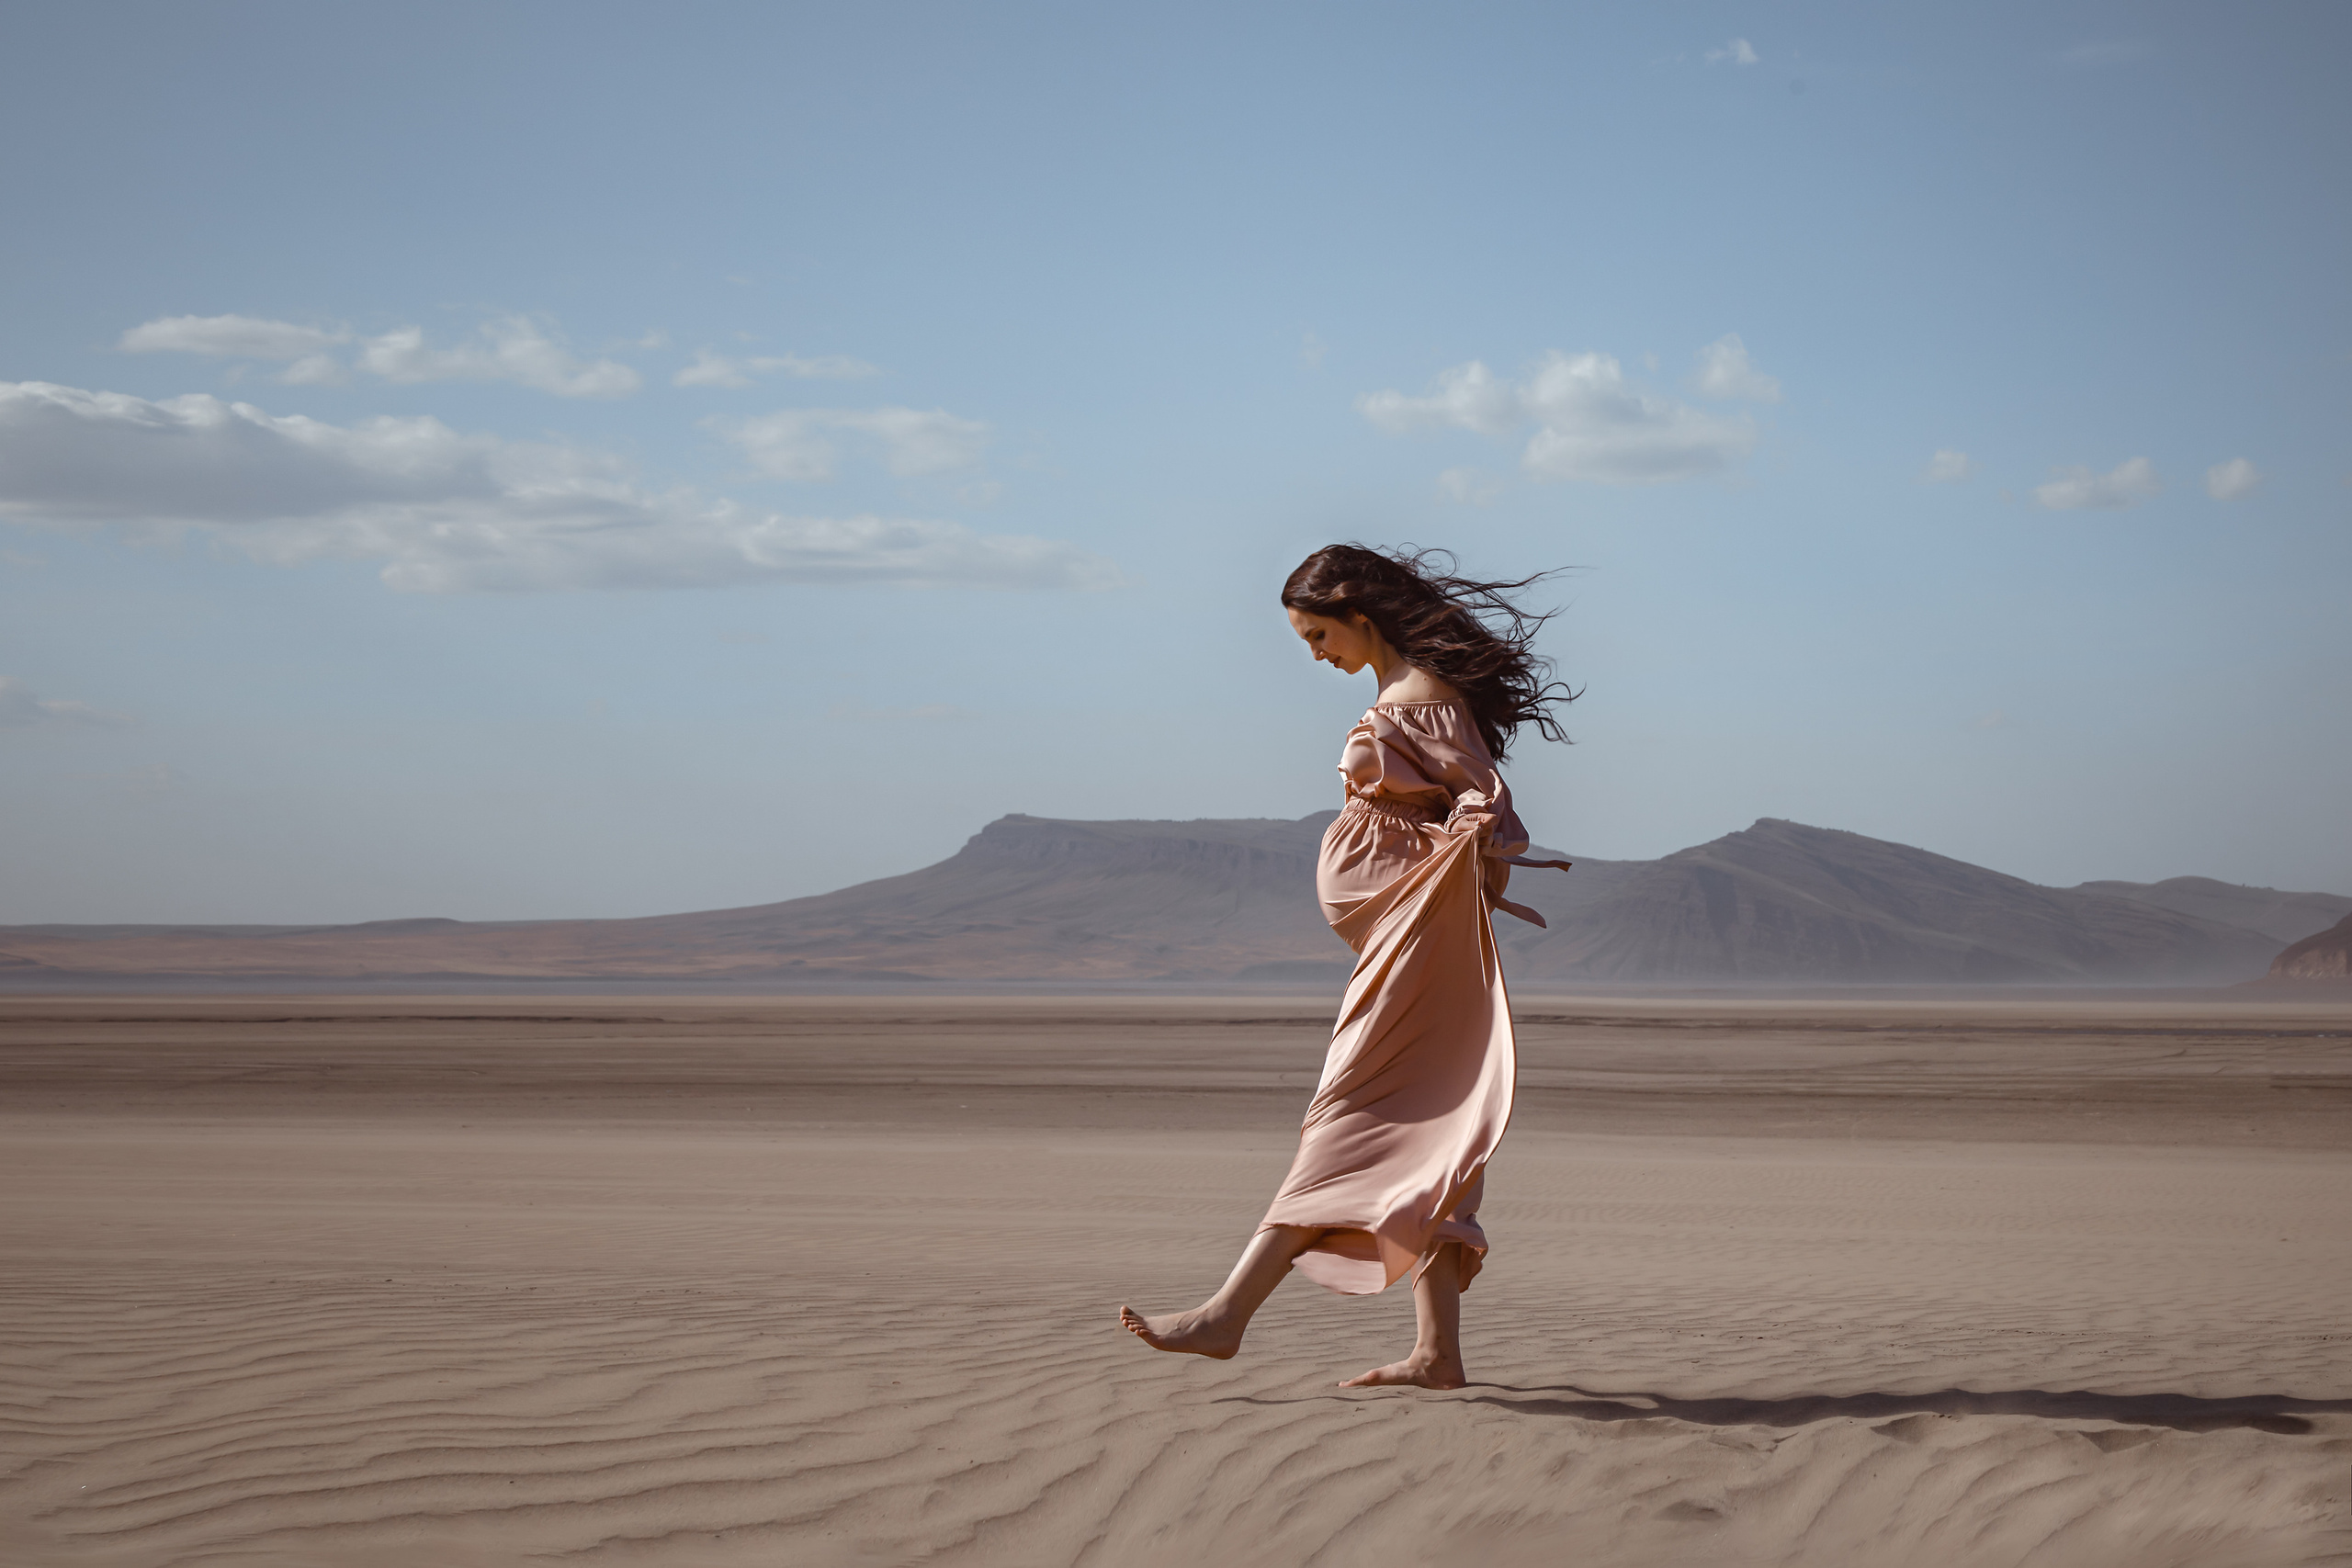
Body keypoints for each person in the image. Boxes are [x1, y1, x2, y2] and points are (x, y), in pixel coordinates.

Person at [1120, 543, 1574, 1389]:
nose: (1316, 654)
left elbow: (1487, 800)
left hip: (1421, 941)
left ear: (1360, 616)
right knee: (1430, 1129)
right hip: (1401, 938)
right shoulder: (1397, 694)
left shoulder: (1426, 701)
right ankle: (1438, 1355)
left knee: (1350, 1113)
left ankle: (1225, 1315)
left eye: (1318, 634)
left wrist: (1469, 841)